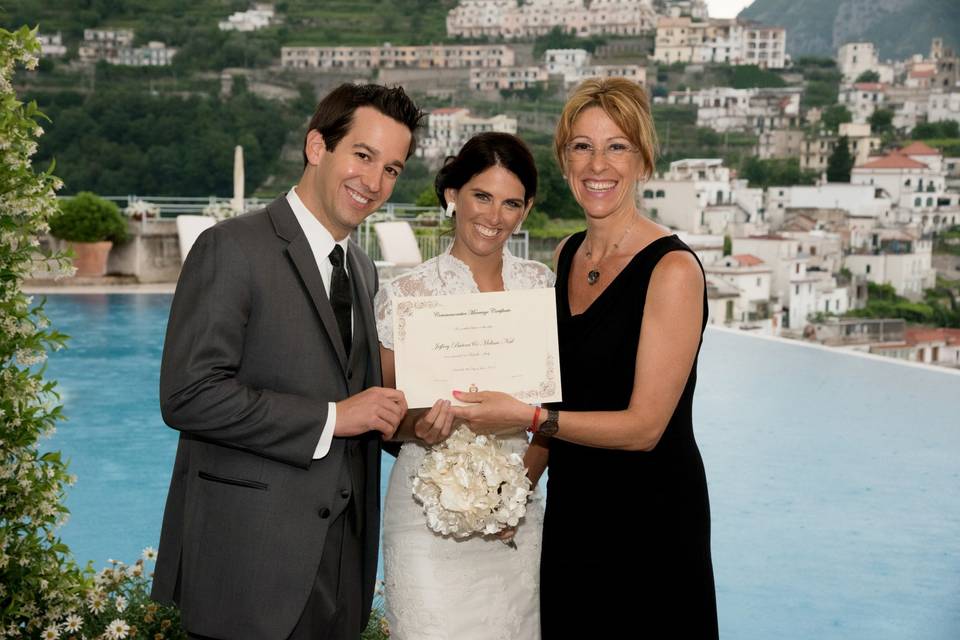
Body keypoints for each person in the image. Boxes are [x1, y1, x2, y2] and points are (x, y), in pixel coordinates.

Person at [151, 83, 423, 640]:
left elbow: (362, 404)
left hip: (340, 575)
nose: (374, 183)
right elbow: (189, 394)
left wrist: (424, 424)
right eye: (363, 156)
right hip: (249, 571)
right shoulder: (230, 247)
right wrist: (331, 418)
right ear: (317, 146)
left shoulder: (365, 270)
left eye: (392, 169)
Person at [451, 78, 719, 637]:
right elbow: (557, 391)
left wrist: (523, 419)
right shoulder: (567, 253)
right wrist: (514, 491)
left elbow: (645, 427)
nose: (598, 164)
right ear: (565, 159)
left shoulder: (673, 271)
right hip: (576, 514)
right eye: (582, 146)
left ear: (643, 158)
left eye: (617, 146)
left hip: (651, 519)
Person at [373, 132, 554, 639]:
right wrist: (421, 427)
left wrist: (515, 492)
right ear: (453, 194)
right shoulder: (402, 296)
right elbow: (390, 420)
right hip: (424, 515)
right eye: (482, 196)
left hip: (517, 513)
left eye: (511, 203)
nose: (494, 216)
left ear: (526, 211)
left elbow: (551, 409)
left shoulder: (540, 286)